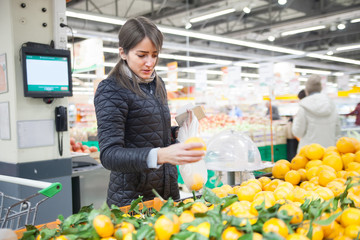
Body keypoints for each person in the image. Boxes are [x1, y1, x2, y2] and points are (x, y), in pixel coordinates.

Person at [94, 16, 205, 207]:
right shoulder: (110, 90)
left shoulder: (156, 83)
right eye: (142, 55)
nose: (150, 62)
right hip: (131, 200)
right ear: (123, 52)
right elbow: (109, 155)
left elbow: (149, 134)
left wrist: (177, 133)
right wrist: (160, 155)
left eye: (154, 55)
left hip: (167, 192)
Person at [292, 75, 341, 151]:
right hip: (329, 152)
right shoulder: (331, 105)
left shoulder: (304, 106)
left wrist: (294, 120)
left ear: (306, 90)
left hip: (309, 153)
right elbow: (337, 131)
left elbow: (298, 132)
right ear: (320, 89)